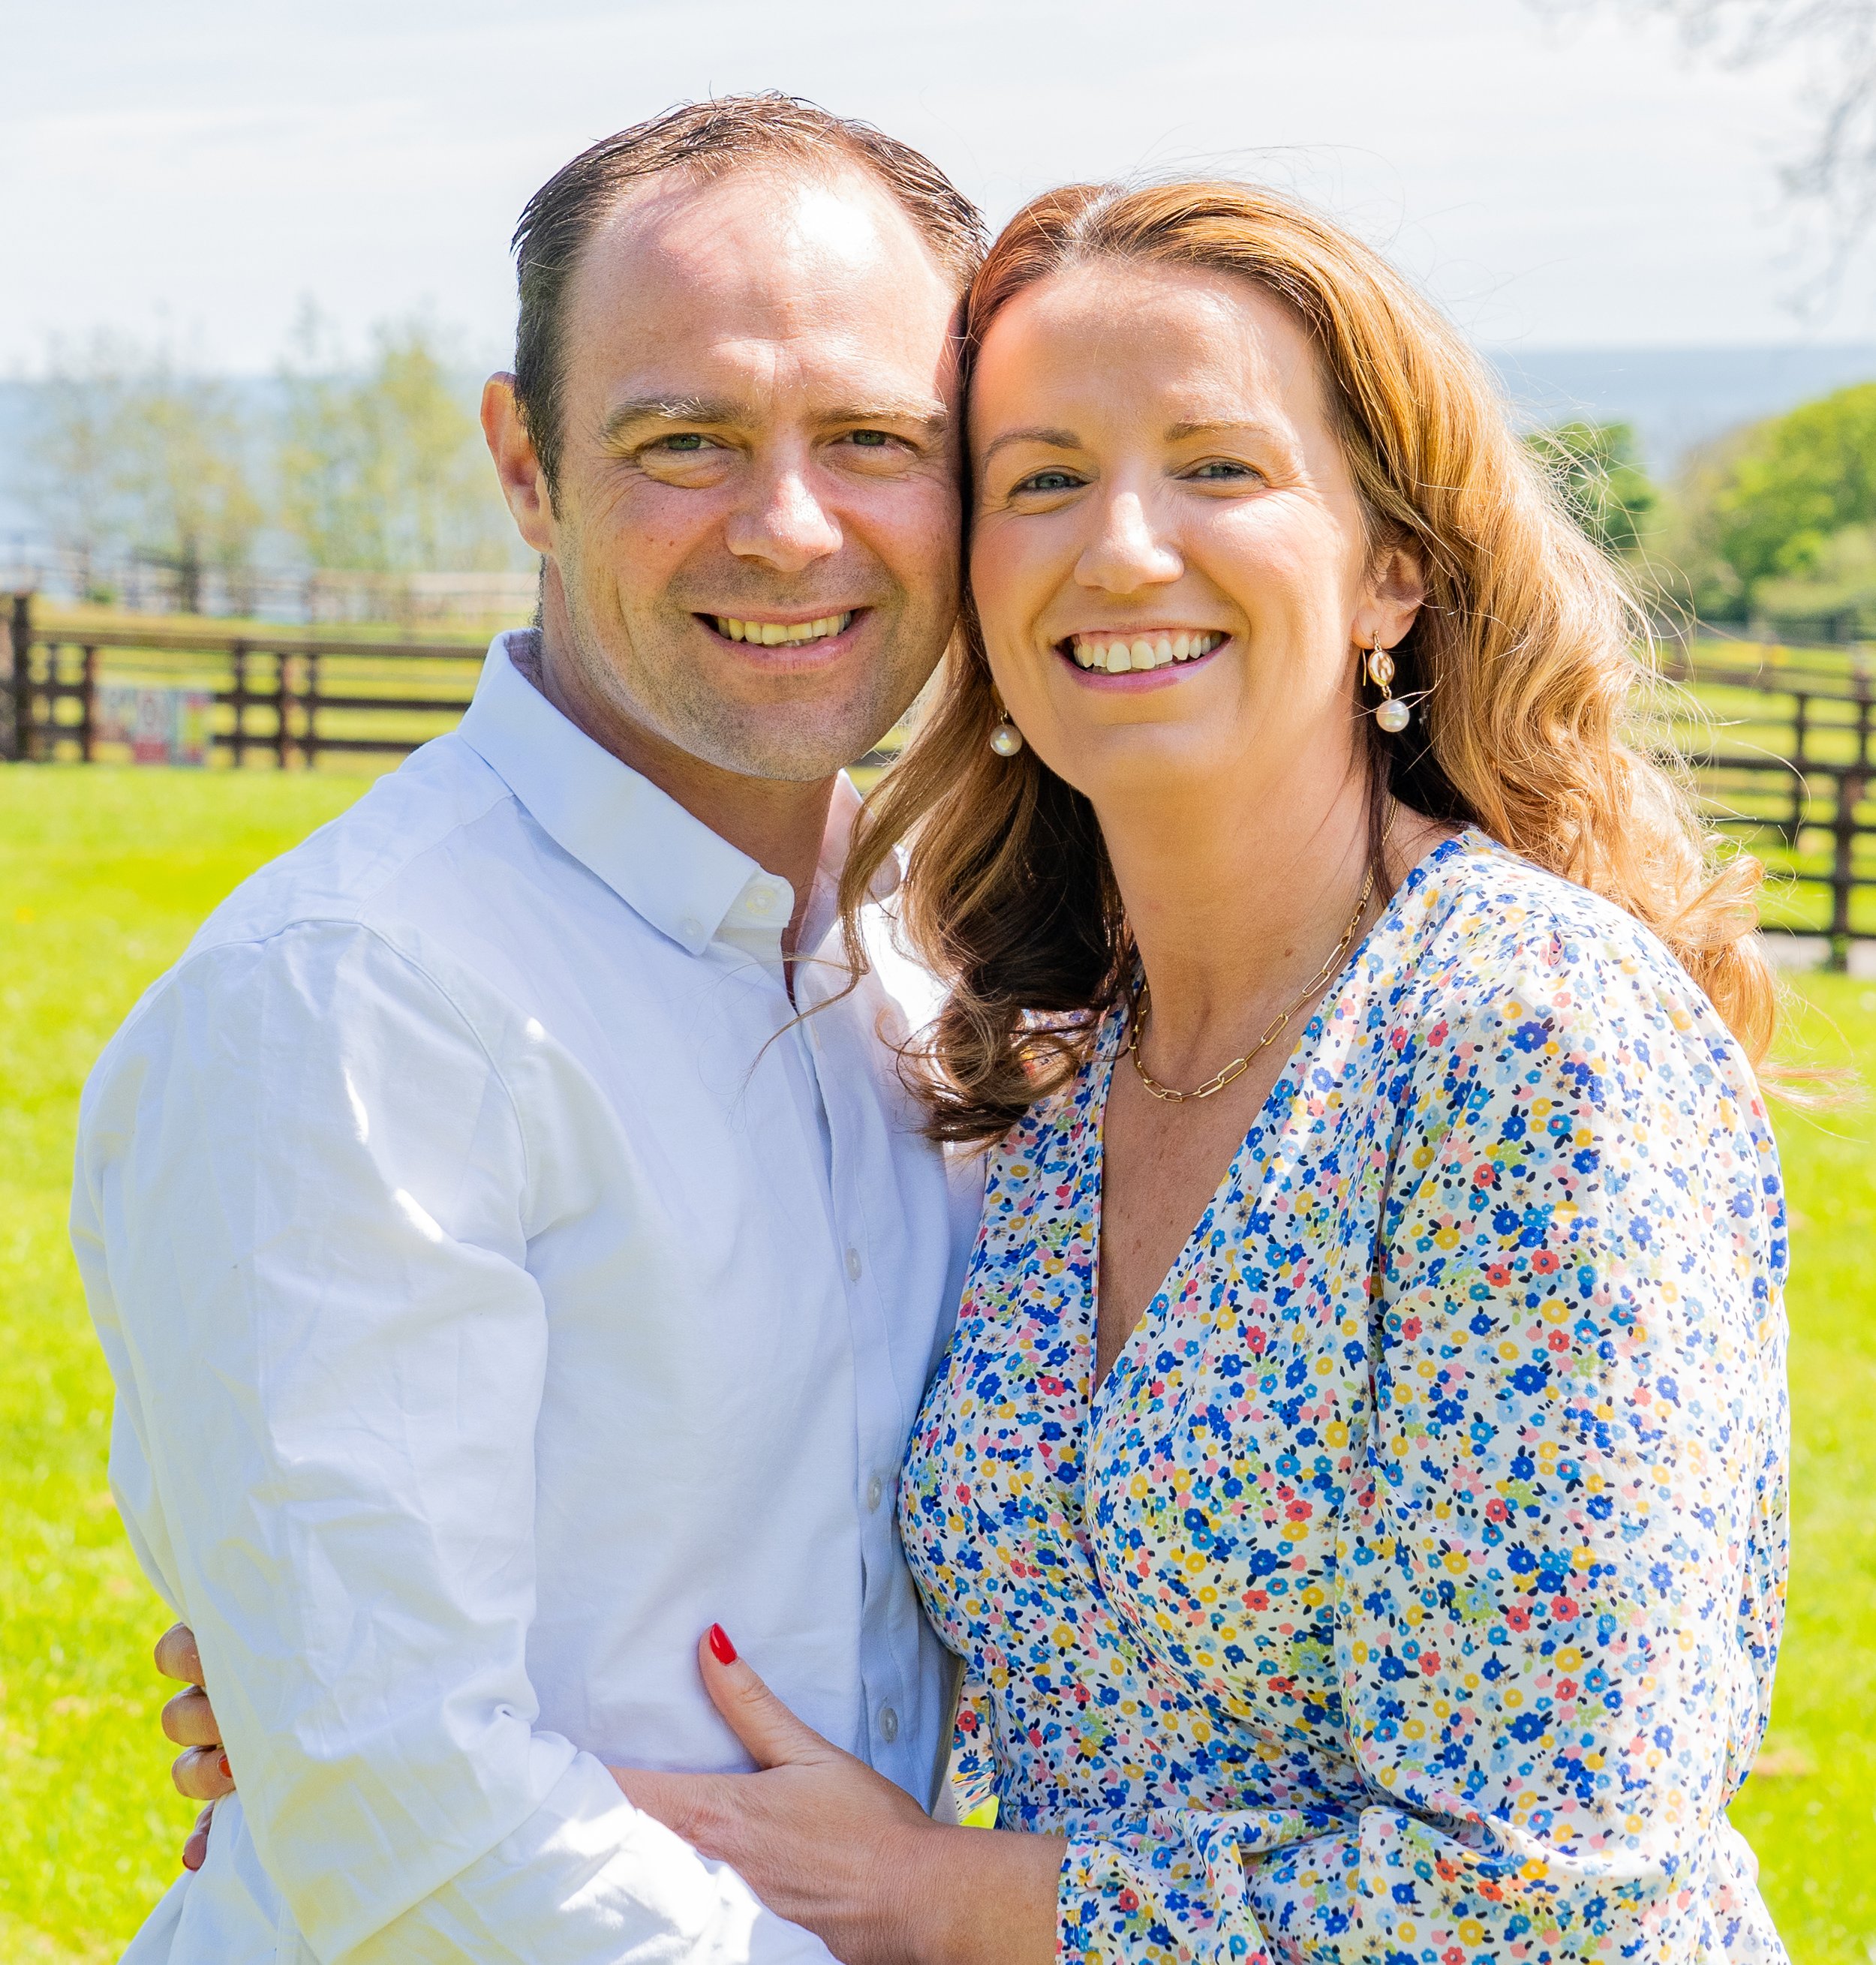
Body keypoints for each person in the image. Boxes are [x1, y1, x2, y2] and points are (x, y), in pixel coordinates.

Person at [573, 182, 1792, 1963]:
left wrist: (928, 1892)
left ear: (1392, 566)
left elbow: (1549, 1897)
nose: (1120, 549)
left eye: (1215, 467)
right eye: (1042, 477)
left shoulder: (1518, 1045)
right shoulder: (1044, 1065)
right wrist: (386, 1646)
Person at [74, 96, 988, 1963]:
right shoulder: (352, 1000)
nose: (789, 524)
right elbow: (407, 1820)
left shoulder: (944, 976)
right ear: (525, 464)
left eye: (874, 438)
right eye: (685, 440)